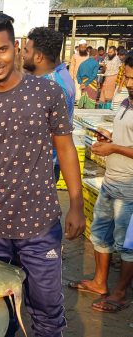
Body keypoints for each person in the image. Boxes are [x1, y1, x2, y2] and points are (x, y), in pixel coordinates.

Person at [0, 13, 85, 337]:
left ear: (15, 47)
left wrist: (77, 203)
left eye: (1, 50)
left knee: (46, 309)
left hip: (39, 224)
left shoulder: (47, 93)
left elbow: (66, 149)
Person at [70, 54, 133, 314]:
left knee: (126, 245)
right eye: (127, 76)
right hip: (111, 181)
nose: (130, 82)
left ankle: (119, 292)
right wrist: (109, 136)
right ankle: (99, 282)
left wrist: (114, 147)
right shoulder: (126, 102)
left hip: (129, 188)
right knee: (100, 233)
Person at [22, 26, 76, 182]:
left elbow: (55, 133)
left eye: (26, 51)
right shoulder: (60, 76)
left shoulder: (50, 86)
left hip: (42, 165)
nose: (22, 55)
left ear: (38, 57)